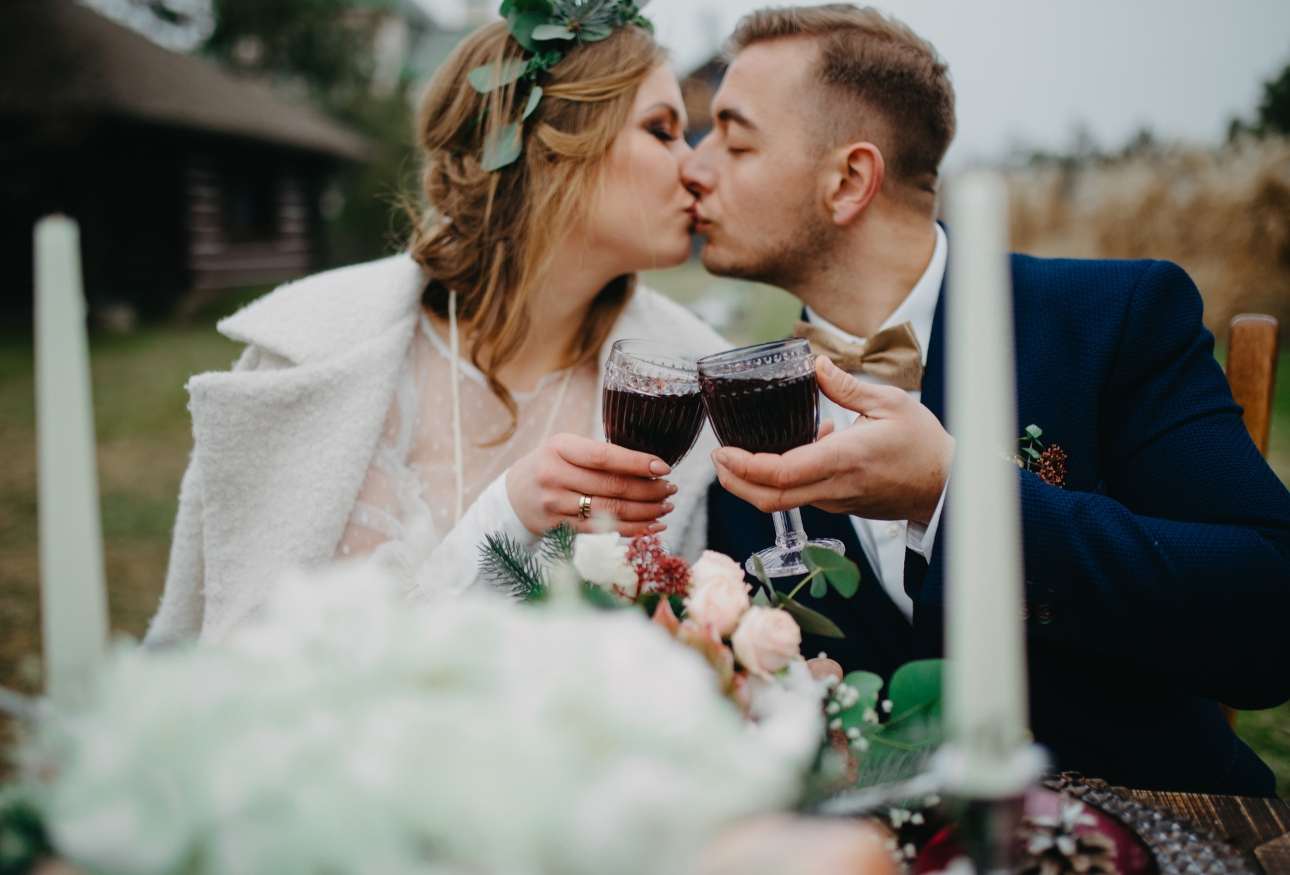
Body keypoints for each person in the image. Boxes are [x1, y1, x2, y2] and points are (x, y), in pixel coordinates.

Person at [689, 5, 1290, 795]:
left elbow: (1267, 615)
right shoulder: (736, 402)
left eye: (733, 140)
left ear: (849, 180)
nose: (695, 169)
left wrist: (956, 491)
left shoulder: (1110, 319)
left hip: (1154, 819)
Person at [145, 8, 727, 646]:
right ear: (554, 149)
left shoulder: (697, 374)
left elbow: (620, 554)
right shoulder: (316, 357)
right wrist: (510, 511)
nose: (697, 168)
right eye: (662, 130)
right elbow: (269, 656)